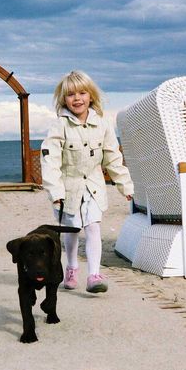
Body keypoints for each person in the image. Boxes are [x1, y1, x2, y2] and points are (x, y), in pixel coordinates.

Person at [40, 70, 134, 293]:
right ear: (64, 99)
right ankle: (71, 267)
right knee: (71, 231)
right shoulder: (59, 126)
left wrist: (125, 185)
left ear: (91, 96)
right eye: (71, 95)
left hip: (93, 186)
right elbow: (50, 160)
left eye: (82, 93)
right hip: (68, 188)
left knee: (93, 228)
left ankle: (94, 275)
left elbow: (113, 157)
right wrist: (56, 192)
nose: (77, 98)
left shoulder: (102, 125)